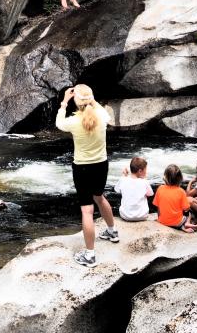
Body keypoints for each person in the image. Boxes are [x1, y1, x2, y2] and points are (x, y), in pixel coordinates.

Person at [55, 84, 117, 267]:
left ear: (76, 100)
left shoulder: (73, 122)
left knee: (87, 210)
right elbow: (99, 110)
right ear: (91, 99)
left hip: (82, 168)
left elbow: (59, 123)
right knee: (100, 196)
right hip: (101, 165)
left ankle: (90, 255)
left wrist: (64, 102)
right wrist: (90, 98)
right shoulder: (102, 116)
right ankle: (112, 232)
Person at [153, 164, 196, 233]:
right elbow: (186, 209)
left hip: (162, 222)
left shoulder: (160, 188)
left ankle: (179, 225)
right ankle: (185, 224)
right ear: (180, 179)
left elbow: (157, 207)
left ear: (165, 177)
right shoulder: (181, 191)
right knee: (190, 213)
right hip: (177, 223)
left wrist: (160, 219)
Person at [115, 156, 154, 222]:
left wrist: (124, 176)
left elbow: (116, 189)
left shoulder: (123, 179)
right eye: (145, 170)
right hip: (142, 215)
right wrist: (144, 179)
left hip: (125, 215)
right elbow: (150, 194)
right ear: (140, 171)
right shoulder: (144, 182)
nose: (146, 172)